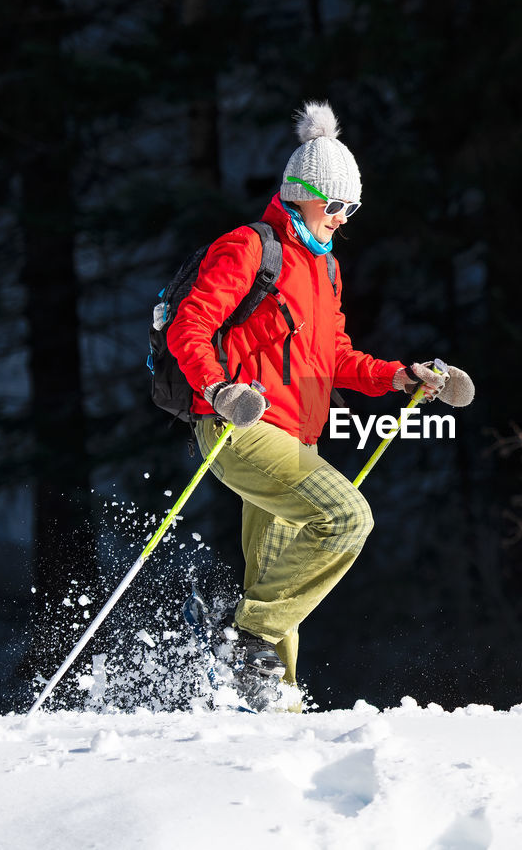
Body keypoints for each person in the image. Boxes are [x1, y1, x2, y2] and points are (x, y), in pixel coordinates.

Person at [166, 101, 448, 711]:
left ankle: (272, 706)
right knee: (347, 519)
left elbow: (336, 358)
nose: (343, 220)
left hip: (299, 435)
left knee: (276, 578)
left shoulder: (326, 271)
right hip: (239, 426)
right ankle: (245, 640)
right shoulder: (249, 248)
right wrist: (219, 388)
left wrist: (401, 377)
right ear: (303, 196)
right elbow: (189, 325)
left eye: (354, 209)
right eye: (337, 206)